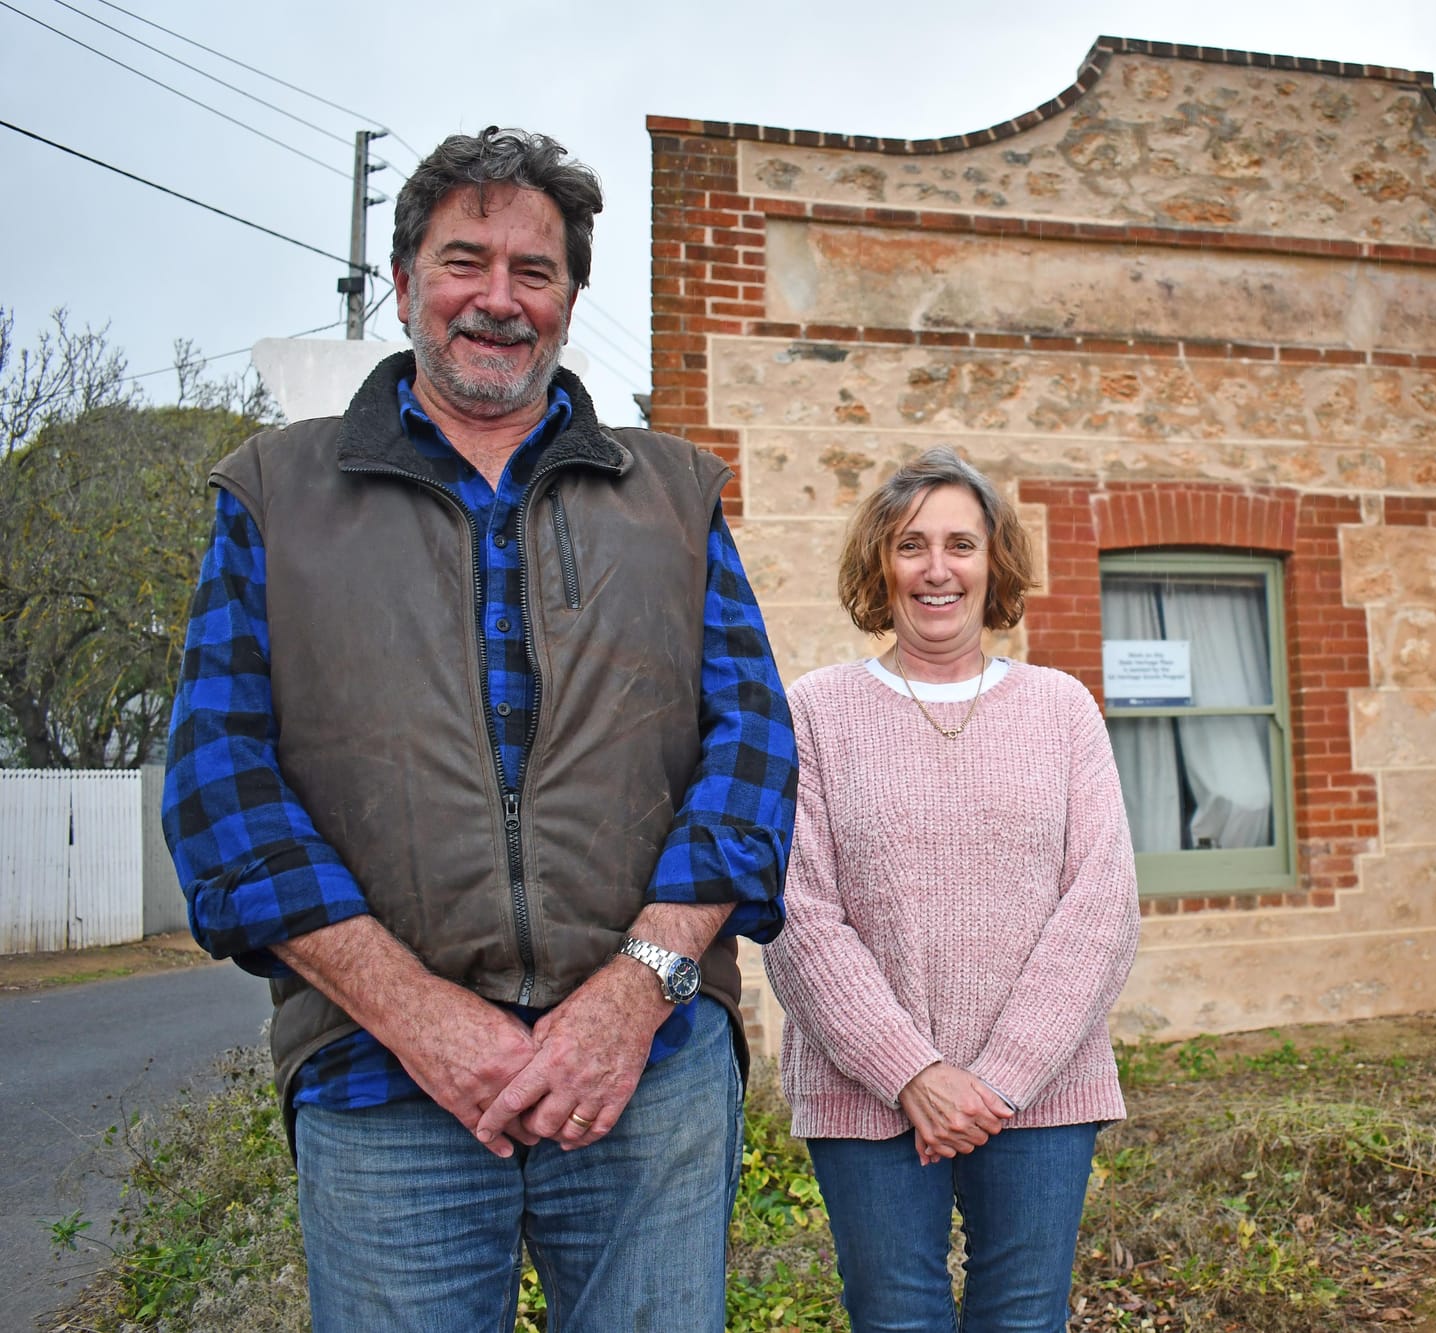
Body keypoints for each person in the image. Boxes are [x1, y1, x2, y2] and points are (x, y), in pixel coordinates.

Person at [160, 127, 796, 1332]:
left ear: (567, 301)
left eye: (534, 271)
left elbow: (751, 754)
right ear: (404, 284)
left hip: (644, 1077)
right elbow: (218, 785)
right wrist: (416, 1014)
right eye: (465, 262)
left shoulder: (673, 493)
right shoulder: (272, 494)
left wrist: (634, 991)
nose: (498, 299)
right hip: (382, 1082)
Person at [762, 446, 1140, 1333]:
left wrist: (997, 1083)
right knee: (896, 1319)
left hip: (1044, 1093)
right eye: (911, 544)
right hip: (867, 1095)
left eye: (962, 545)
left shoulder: (1061, 707)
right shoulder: (813, 711)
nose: (938, 569)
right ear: (878, 565)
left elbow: (1102, 905)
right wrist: (915, 1075)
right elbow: (797, 913)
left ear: (994, 563)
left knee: (1023, 1317)